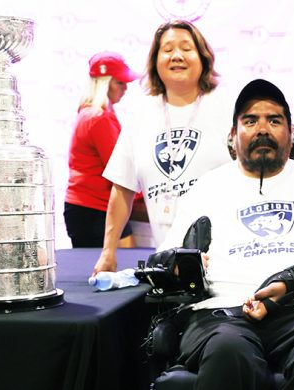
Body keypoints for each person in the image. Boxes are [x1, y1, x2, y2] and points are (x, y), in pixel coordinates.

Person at [157, 79, 294, 389]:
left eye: (274, 120)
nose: (263, 129)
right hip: (222, 313)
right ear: (233, 135)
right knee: (228, 350)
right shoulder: (207, 187)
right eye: (250, 120)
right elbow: (165, 258)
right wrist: (181, 263)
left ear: (290, 132)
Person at [92, 20, 232, 275]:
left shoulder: (228, 107)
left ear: (204, 58)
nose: (177, 55)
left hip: (227, 259)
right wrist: (108, 253)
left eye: (186, 48)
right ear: (155, 61)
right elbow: (122, 187)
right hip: (170, 266)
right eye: (167, 49)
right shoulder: (140, 114)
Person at [64, 51, 140, 248]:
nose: (125, 88)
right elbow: (120, 170)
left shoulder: (91, 114)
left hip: (87, 208)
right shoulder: (99, 118)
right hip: (96, 209)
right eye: (120, 82)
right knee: (122, 270)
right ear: (105, 83)